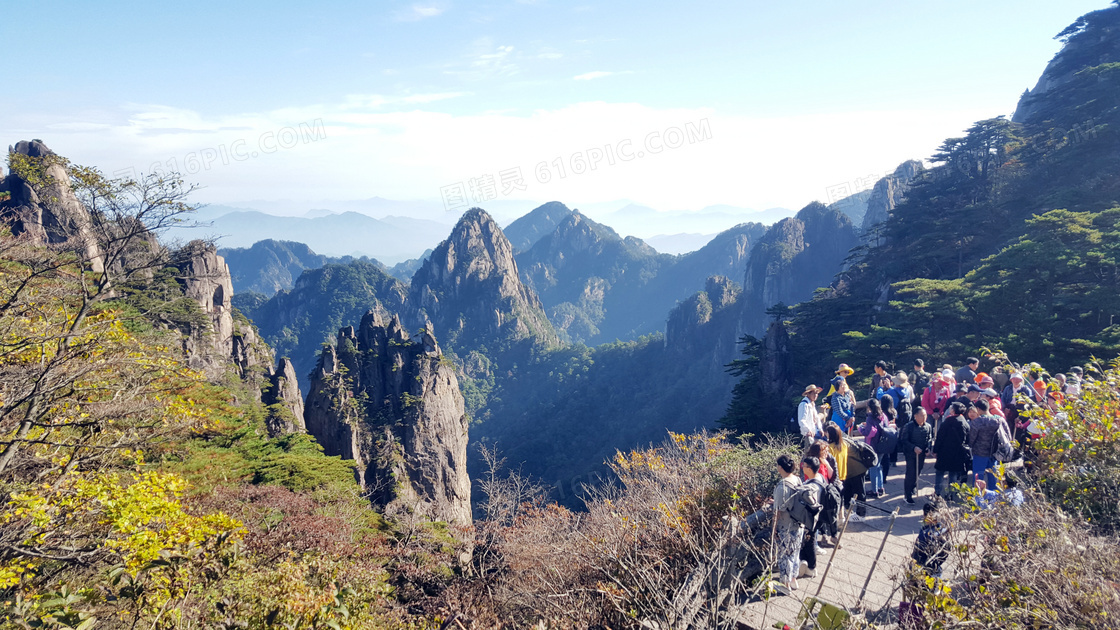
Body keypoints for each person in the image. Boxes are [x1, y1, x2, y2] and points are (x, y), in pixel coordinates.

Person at [772, 454, 803, 591]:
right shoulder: (797, 479)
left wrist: (774, 529)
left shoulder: (782, 486)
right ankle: (793, 580)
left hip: (786, 525)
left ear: (780, 467)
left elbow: (778, 511)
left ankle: (784, 585)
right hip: (798, 523)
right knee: (795, 553)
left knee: (785, 556)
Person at [932, 401, 971, 499]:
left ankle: (937, 493)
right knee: (953, 474)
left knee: (940, 472)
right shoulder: (965, 422)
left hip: (944, 451)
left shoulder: (947, 422)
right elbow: (968, 439)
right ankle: (950, 494)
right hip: (957, 453)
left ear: (953, 410)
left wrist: (935, 450)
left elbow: (940, 437)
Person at [829, 424, 867, 521]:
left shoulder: (831, 447)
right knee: (846, 493)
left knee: (857, 493)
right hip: (845, 473)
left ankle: (860, 515)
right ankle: (846, 513)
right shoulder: (844, 444)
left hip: (852, 471)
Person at [797, 457, 827, 580]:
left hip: (811, 518)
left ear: (809, 469)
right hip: (820, 516)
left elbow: (808, 503)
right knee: (810, 541)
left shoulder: (811, 486)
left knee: (809, 542)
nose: (802, 468)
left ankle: (811, 568)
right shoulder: (821, 478)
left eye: (804, 466)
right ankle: (806, 564)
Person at [967, 398, 1003, 488]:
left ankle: (978, 497)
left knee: (978, 476)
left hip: (980, 452)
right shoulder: (998, 420)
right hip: (994, 453)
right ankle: (993, 497)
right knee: (993, 476)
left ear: (978, 409)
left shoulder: (977, 422)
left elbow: (971, 439)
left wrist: (970, 446)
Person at [900, 407, 933, 504]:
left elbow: (929, 439)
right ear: (915, 416)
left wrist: (928, 448)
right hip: (910, 454)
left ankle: (912, 487)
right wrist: (913, 447)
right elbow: (903, 440)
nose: (924, 417)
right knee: (910, 473)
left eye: (925, 415)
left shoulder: (928, 426)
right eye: (922, 415)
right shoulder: (909, 426)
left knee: (918, 471)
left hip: (921, 454)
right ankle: (907, 495)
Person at [912, 500, 949, 578]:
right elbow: (947, 549)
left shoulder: (925, 534)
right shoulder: (943, 530)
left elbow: (918, 555)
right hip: (936, 568)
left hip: (924, 570)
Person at [860, 398, 887, 498]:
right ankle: (881, 488)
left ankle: (874, 490)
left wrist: (860, 428)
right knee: (879, 466)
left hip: (873, 446)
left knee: (873, 468)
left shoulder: (870, 418)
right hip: (883, 444)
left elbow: (868, 433)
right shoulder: (883, 416)